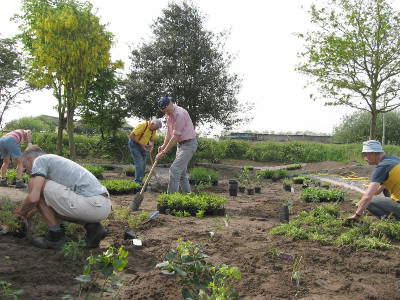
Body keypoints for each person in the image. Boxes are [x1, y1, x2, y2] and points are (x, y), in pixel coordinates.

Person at [16, 145, 112, 249]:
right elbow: (47, 204)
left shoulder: (40, 160)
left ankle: (56, 237)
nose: (28, 172)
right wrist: (31, 212)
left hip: (91, 203)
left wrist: (20, 213)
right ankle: (94, 228)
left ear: (29, 159)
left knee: (34, 185)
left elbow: (34, 198)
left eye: (25, 167)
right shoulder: (54, 162)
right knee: (46, 201)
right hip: (102, 206)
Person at [347, 140, 400, 221]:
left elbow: (368, 197)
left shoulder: (382, 167)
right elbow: (377, 191)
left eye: (365, 155)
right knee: (385, 190)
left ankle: (392, 219)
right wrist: (362, 202)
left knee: (370, 202)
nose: (364, 158)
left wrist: (357, 215)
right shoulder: (394, 159)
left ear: (373, 153)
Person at [155, 97, 197, 194]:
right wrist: (163, 145)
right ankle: (188, 196)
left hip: (189, 144)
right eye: (163, 110)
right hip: (181, 145)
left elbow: (176, 136)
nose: (166, 112)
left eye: (166, 109)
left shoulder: (180, 114)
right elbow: (169, 133)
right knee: (181, 173)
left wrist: (164, 152)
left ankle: (170, 200)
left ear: (171, 103)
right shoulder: (168, 115)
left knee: (175, 170)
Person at [128, 119, 162, 184]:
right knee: (139, 163)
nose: (156, 130)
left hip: (144, 146)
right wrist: (142, 144)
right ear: (152, 124)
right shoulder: (143, 125)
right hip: (134, 144)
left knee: (143, 164)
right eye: (156, 128)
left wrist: (151, 147)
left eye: (157, 129)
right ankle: (137, 182)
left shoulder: (153, 130)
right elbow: (131, 136)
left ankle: (141, 180)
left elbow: (152, 140)